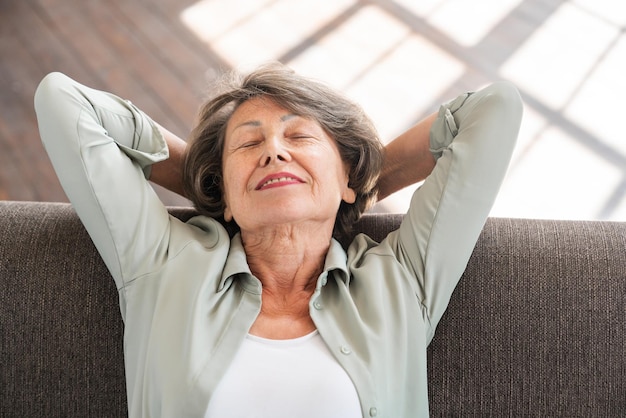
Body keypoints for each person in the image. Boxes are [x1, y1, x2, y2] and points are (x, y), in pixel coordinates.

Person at [34, 62, 522, 418]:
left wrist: (356, 187)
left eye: (300, 138)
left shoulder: (401, 280)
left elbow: (494, 109)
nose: (272, 150)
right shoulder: (164, 265)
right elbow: (64, 101)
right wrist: (214, 189)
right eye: (248, 144)